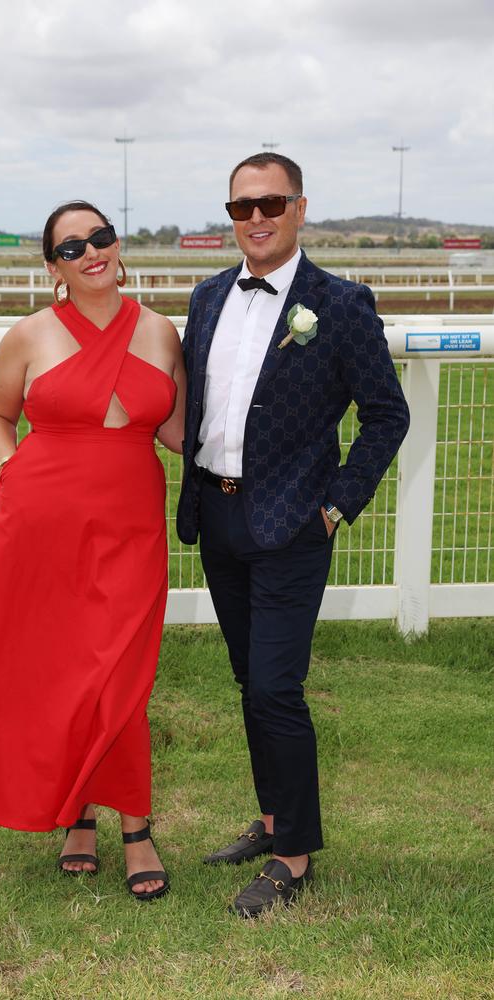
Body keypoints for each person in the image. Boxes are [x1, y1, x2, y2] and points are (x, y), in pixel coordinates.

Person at [0, 200, 185, 902]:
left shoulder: (162, 333)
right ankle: (76, 817)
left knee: (122, 672)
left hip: (132, 523)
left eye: (101, 237)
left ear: (119, 244)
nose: (92, 252)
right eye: (73, 247)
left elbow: (179, 432)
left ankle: (136, 829)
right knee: (61, 670)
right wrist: (13, 472)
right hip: (40, 526)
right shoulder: (29, 335)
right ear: (53, 267)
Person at [177, 153, 410, 917]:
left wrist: (338, 505)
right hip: (217, 515)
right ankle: (274, 817)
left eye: (271, 202)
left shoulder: (337, 304)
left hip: (295, 523)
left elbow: (386, 414)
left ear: (300, 208)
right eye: (241, 206)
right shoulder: (208, 296)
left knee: (277, 688)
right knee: (252, 682)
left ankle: (293, 858)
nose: (256, 218)